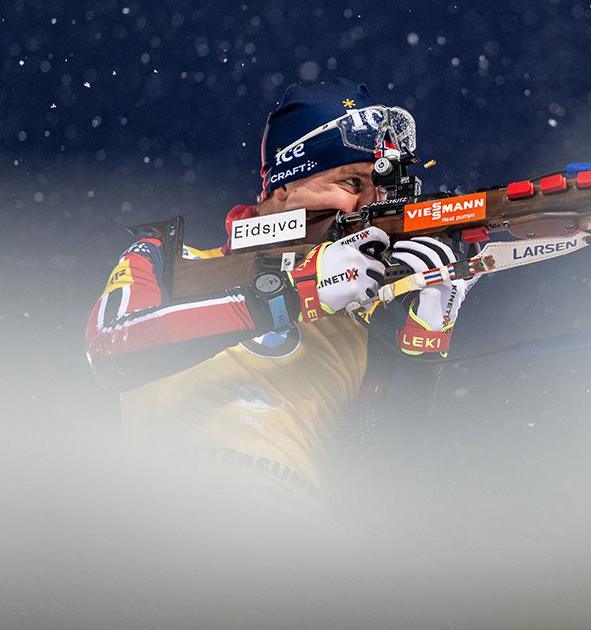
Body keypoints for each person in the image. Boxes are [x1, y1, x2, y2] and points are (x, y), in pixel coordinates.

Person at [85, 78, 472, 499]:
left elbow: (378, 491)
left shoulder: (363, 322)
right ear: (284, 187)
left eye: (380, 190)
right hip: (158, 525)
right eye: (352, 184)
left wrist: (424, 346)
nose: (370, 206)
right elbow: (111, 346)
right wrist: (295, 292)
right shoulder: (173, 261)